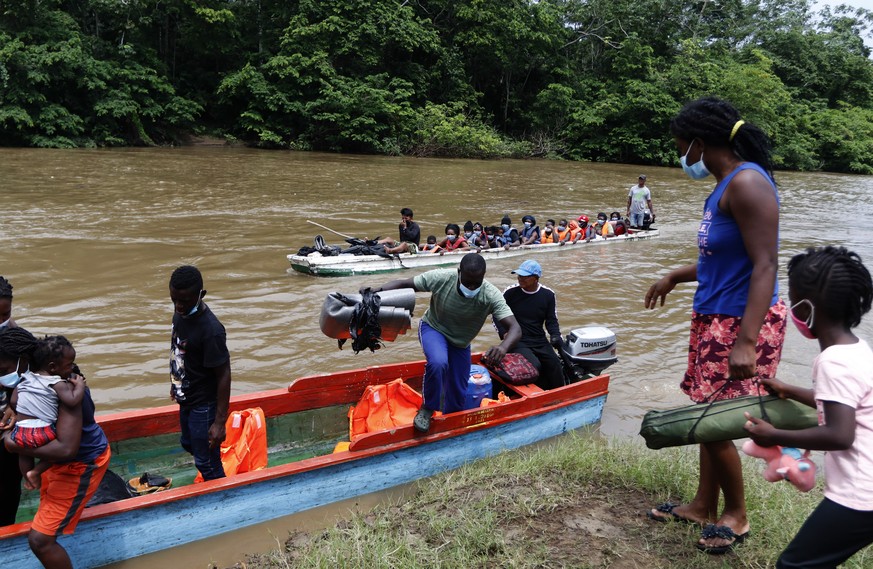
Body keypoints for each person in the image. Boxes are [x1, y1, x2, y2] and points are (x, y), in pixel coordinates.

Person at [644, 97, 786, 554]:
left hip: (741, 323)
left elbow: (765, 265)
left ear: (701, 143)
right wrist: (674, 275)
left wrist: (746, 342)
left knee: (719, 421)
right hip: (715, 315)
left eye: (682, 147)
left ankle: (736, 516)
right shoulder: (724, 185)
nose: (682, 156)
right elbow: (721, 259)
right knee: (708, 417)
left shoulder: (747, 184)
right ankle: (704, 505)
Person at [744, 246, 873, 568]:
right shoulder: (856, 349)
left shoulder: (832, 361)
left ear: (808, 308)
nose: (789, 307)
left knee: (795, 565)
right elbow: (844, 403)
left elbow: (839, 434)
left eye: (792, 298)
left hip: (861, 494)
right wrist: (789, 390)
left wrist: (774, 433)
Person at [363, 254, 521, 432]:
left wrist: (503, 347)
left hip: (460, 342)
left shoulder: (490, 295)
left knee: (458, 389)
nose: (471, 287)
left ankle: (450, 423)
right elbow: (404, 284)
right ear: (459, 272)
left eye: (476, 283)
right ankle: (427, 408)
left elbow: (515, 327)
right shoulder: (442, 278)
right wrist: (374, 293)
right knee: (438, 363)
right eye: (467, 281)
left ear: (483, 277)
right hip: (434, 329)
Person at [3, 327, 110, 569]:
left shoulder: (64, 389)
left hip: (80, 464)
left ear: (25, 362)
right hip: (53, 459)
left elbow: (65, 450)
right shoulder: (30, 383)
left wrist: (12, 443)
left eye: (2, 371)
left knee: (40, 541)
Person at [169, 265, 231, 481]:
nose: (178, 306)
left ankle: (226, 497)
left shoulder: (211, 330)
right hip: (186, 397)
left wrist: (219, 422)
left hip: (203, 404)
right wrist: (175, 382)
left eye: (184, 301)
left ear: (200, 295)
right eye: (174, 299)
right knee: (188, 443)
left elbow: (224, 374)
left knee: (206, 461)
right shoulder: (180, 314)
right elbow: (179, 350)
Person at [8, 336, 85, 491]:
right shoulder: (57, 383)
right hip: (42, 432)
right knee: (54, 453)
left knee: (23, 453)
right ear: (53, 367)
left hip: (20, 431)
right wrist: (80, 386)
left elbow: (14, 401)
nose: (71, 368)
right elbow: (72, 400)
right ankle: (36, 472)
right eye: (69, 365)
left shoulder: (26, 379)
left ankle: (28, 479)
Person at [497, 260, 565, 390]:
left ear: (535, 278)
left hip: (539, 339)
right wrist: (503, 333)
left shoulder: (548, 295)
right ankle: (535, 396)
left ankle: (558, 395)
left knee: (555, 365)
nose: (519, 279)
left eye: (524, 276)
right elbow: (496, 314)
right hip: (517, 339)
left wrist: (556, 336)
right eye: (518, 275)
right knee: (534, 365)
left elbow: (551, 320)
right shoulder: (510, 293)